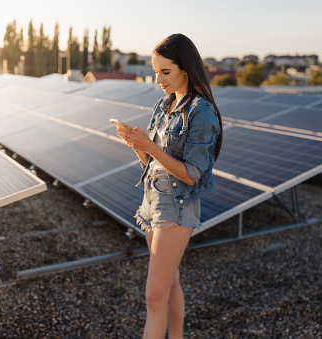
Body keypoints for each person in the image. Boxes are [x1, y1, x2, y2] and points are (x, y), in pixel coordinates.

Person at [116, 33, 223, 339]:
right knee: (169, 283)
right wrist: (136, 144)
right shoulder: (163, 105)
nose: (158, 79)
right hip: (152, 200)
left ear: (185, 70)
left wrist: (150, 147)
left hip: (176, 206)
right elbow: (151, 161)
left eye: (166, 72)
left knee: (153, 296)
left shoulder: (200, 111)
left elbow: (192, 175)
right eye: (155, 72)